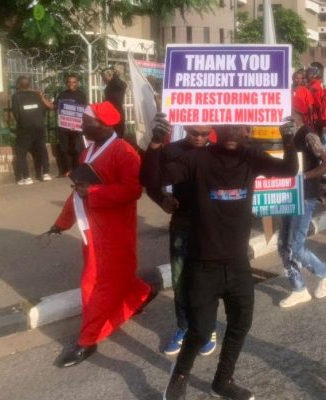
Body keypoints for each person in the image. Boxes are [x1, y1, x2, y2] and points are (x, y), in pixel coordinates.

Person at [141, 116, 298, 400]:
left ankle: (222, 381)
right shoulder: (198, 159)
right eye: (227, 126)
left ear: (247, 130)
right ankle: (179, 378)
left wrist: (288, 138)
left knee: (241, 324)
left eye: (238, 127)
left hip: (238, 264)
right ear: (217, 128)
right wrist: (154, 143)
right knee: (199, 332)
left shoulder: (251, 157)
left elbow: (289, 169)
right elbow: (153, 178)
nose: (232, 132)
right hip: (203, 265)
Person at [47, 101, 156, 368]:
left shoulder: (125, 152)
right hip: (92, 231)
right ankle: (140, 293)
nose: (81, 125)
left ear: (103, 124)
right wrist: (62, 222)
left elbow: (132, 190)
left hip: (115, 234)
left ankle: (88, 339)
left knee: (95, 285)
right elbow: (77, 192)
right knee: (114, 278)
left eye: (86, 122)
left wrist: (94, 193)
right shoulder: (88, 153)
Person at [140, 125, 219, 356]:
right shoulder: (171, 151)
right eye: (195, 132)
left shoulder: (218, 152)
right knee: (180, 280)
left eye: (205, 133)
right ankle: (183, 327)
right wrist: (162, 199)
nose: (200, 138)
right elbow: (149, 181)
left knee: (206, 282)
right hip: (182, 226)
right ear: (185, 128)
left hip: (210, 229)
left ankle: (208, 328)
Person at [277, 99, 326, 308]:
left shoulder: (308, 135)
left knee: (295, 245)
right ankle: (299, 288)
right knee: (283, 246)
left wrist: (305, 176)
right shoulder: (285, 135)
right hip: (287, 195)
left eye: (286, 114)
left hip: (305, 196)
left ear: (296, 114)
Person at [11, 76, 54, 184]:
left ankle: (26, 177)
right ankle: (46, 174)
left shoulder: (16, 96)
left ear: (18, 85)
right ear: (29, 85)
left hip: (25, 128)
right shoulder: (37, 95)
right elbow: (44, 110)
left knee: (21, 152)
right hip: (39, 126)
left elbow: (16, 114)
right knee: (42, 150)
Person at [55, 73, 88, 177]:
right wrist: (42, 98)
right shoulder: (62, 95)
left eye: (73, 82)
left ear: (77, 83)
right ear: (66, 83)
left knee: (78, 149)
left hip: (77, 128)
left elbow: (83, 110)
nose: (71, 84)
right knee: (65, 149)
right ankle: (69, 169)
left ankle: (79, 169)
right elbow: (55, 106)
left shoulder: (81, 95)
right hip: (64, 128)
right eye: (69, 82)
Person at [102, 68, 127, 138]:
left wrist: (115, 76)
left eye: (104, 76)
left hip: (117, 113)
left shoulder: (118, 84)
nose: (103, 79)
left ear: (110, 75)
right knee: (110, 136)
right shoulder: (109, 86)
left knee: (118, 136)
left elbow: (124, 85)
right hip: (109, 113)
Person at [307, 65, 326, 134]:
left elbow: (318, 103)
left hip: (315, 114)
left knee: (316, 133)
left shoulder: (315, 86)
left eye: (309, 73)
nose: (307, 75)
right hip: (314, 113)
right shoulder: (312, 84)